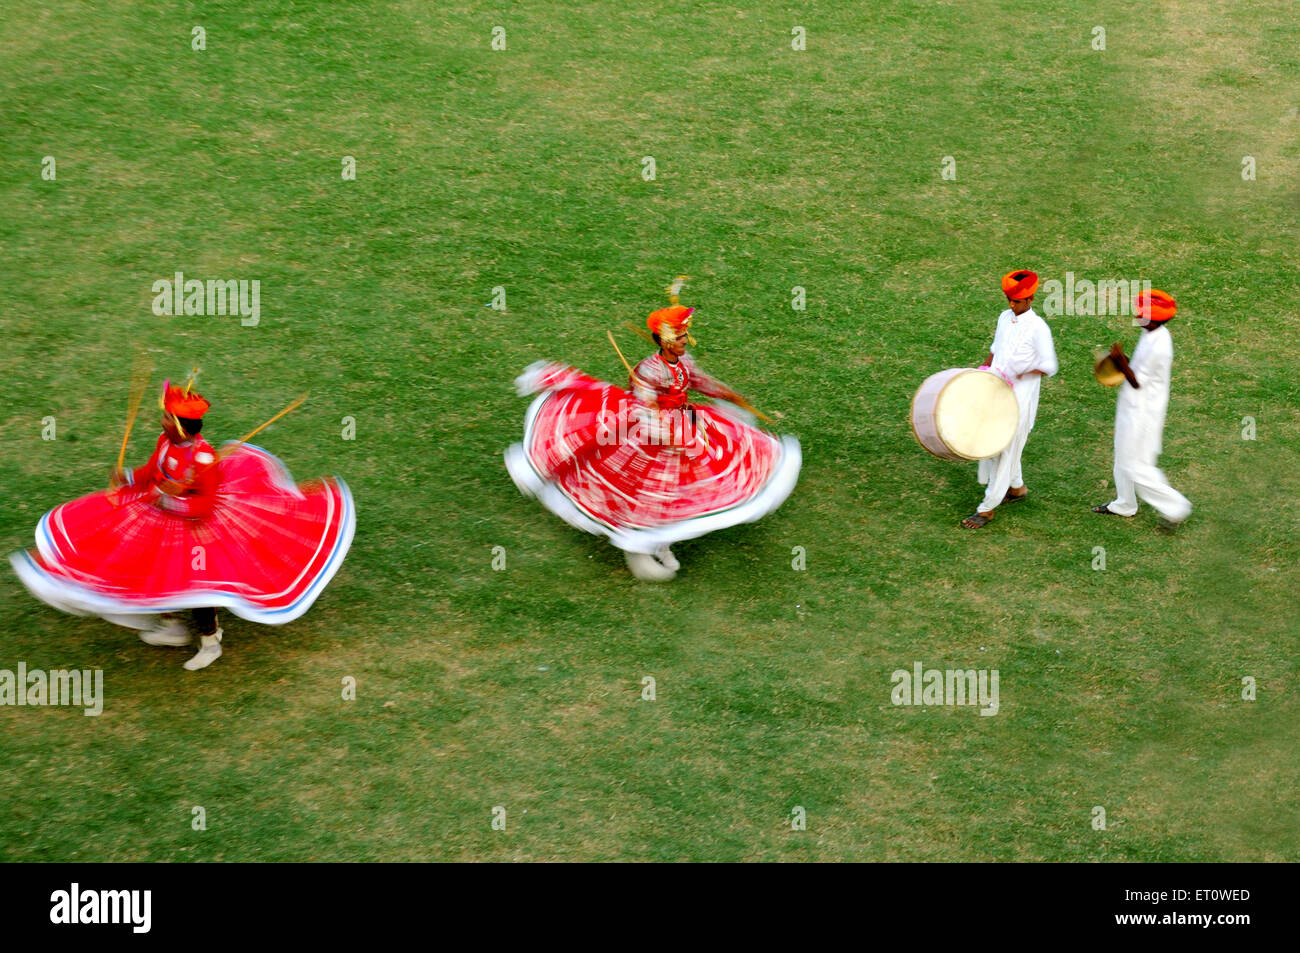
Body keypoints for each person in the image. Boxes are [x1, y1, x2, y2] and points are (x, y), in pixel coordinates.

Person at [10, 378, 356, 670]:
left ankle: (210, 642)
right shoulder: (166, 442)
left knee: (196, 585)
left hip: (195, 524)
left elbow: (204, 506)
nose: (160, 422)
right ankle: (173, 627)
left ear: (180, 426)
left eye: (166, 418)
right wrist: (131, 480)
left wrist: (171, 498)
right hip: (162, 511)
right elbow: (152, 472)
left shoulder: (203, 458)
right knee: (156, 572)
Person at [505, 283, 801, 580]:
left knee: (682, 489)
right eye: (680, 337)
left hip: (684, 424)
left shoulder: (682, 361)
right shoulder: (649, 370)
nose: (685, 341)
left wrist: (725, 394)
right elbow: (643, 409)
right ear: (664, 340)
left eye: (685, 335)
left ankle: (660, 540)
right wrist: (671, 436)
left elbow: (696, 380)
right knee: (648, 496)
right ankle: (637, 548)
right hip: (648, 436)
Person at [962, 270, 1058, 529]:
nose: (1011, 305)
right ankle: (1016, 488)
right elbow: (995, 349)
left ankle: (986, 509)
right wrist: (980, 373)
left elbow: (1050, 365)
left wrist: (1023, 370)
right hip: (996, 391)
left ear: (1030, 299)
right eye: (1008, 300)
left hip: (1019, 401)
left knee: (1005, 450)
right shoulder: (1004, 318)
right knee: (991, 443)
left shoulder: (1039, 328)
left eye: (1016, 301)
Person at [1092, 289, 1192, 527]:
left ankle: (1177, 507)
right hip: (1133, 407)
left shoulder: (1159, 345)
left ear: (1154, 319)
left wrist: (1119, 360)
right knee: (1122, 456)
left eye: (1142, 314)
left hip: (1142, 413)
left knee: (1134, 465)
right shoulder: (1153, 333)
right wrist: (1123, 361)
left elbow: (1136, 381)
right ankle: (1125, 504)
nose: (1137, 315)